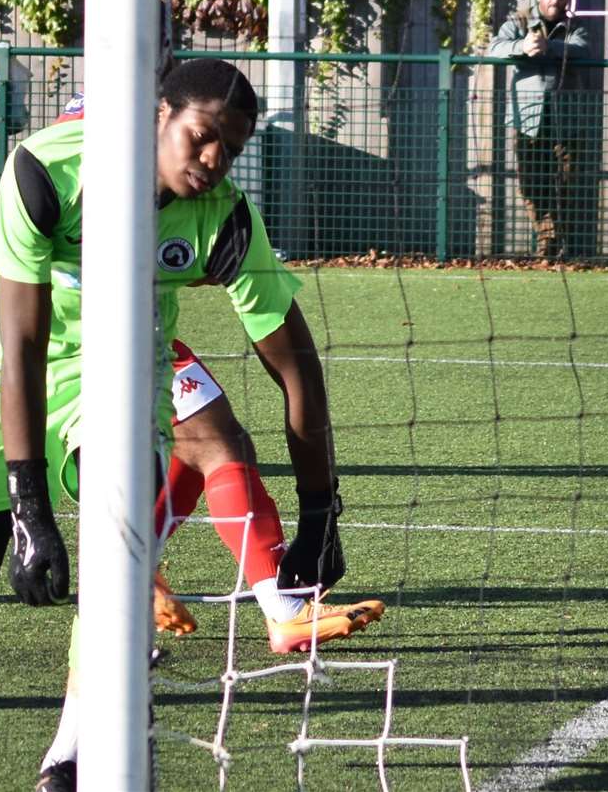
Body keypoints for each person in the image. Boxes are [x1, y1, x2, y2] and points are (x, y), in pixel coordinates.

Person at [49, 90, 382, 656]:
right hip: (48, 337)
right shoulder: (85, 139)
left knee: (216, 440)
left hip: (141, 334)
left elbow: (297, 369)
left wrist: (322, 510)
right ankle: (123, 580)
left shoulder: (222, 208)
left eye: (227, 148)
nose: (211, 159)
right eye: (203, 140)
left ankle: (275, 607)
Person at [489, 0, 597, 258]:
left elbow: (583, 49)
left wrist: (551, 48)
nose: (555, 0)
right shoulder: (519, 21)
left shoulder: (575, 25)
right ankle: (546, 239)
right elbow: (495, 47)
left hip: (567, 120)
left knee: (567, 183)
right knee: (531, 183)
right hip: (528, 118)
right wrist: (522, 48)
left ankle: (561, 243)